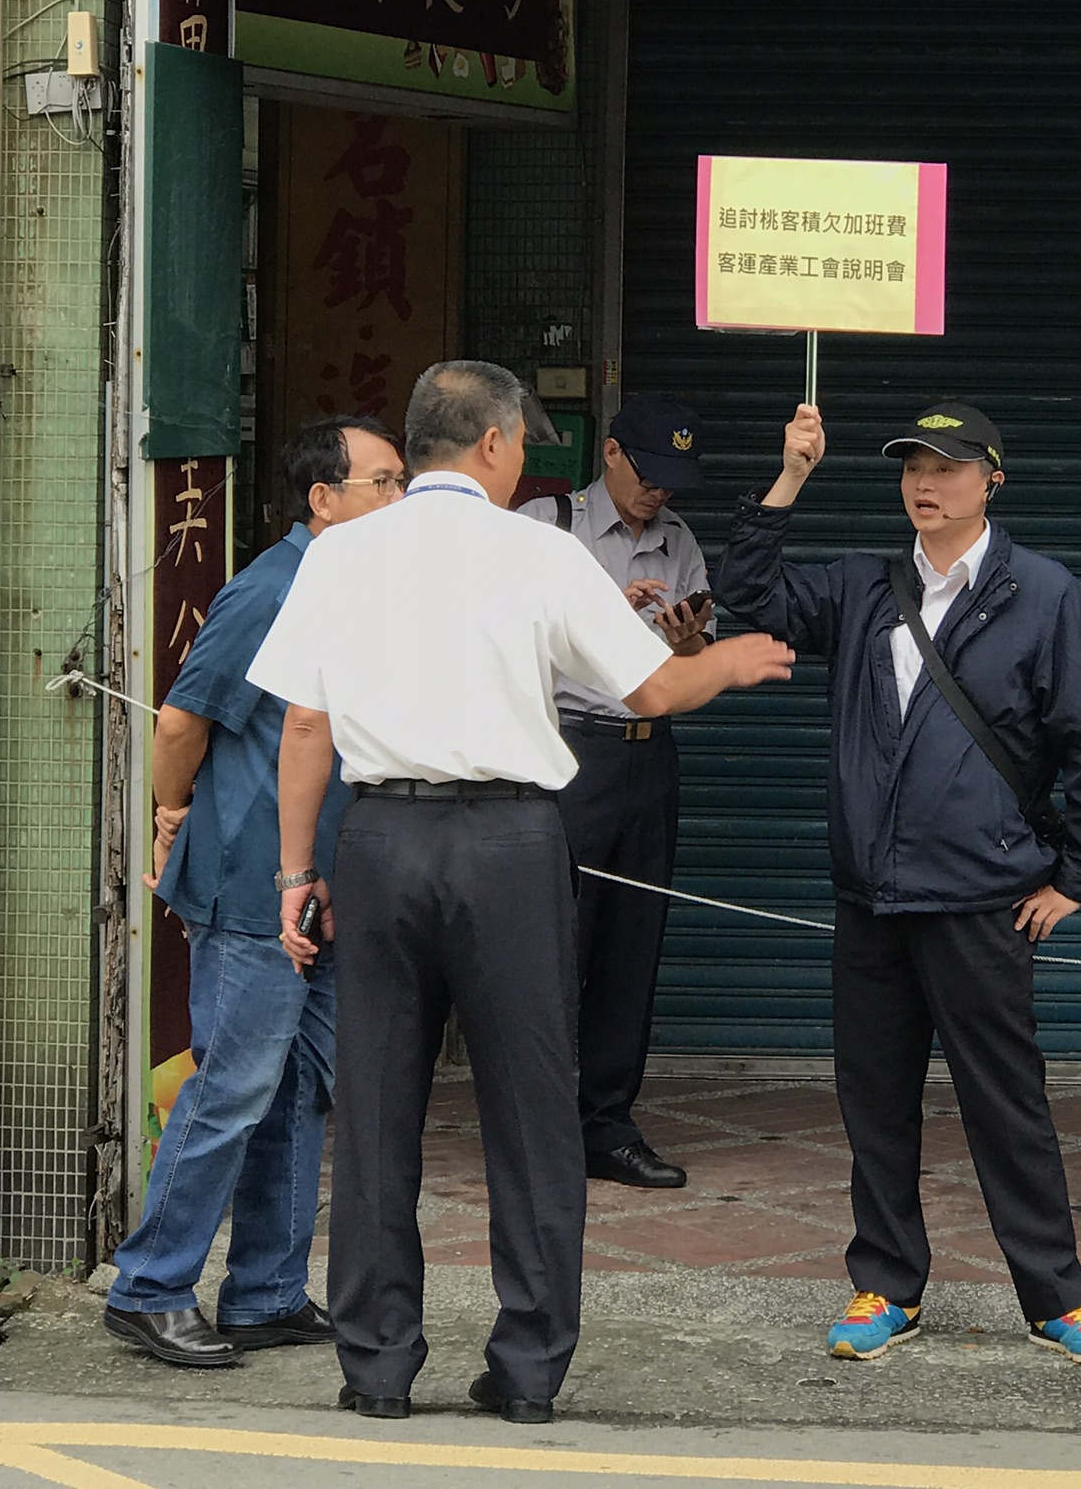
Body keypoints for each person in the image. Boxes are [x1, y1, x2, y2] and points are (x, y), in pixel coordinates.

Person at [248, 361, 794, 1426]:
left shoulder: (340, 552)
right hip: (508, 844)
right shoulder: (541, 550)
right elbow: (649, 685)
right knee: (533, 1111)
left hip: (385, 838)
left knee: (375, 1110)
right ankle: (528, 1369)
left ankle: (376, 1366)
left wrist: (296, 873)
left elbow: (304, 728)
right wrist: (727, 661)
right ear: (495, 443)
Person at [717, 401, 1081, 1366]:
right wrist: (788, 478)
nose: (924, 483)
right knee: (875, 1100)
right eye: (912, 466)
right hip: (873, 898)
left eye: (947, 467)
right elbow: (753, 591)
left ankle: (1056, 1295)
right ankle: (885, 1284)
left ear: (992, 479)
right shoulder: (866, 585)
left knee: (1005, 1102)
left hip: (982, 898)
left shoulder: (1044, 593)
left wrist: (1080, 877)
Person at [103, 416, 406, 1368]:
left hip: (323, 885)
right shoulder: (268, 589)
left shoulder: (357, 590)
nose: (400, 501)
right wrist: (168, 811)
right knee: (232, 1086)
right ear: (323, 499)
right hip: (248, 888)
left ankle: (267, 1291)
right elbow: (183, 718)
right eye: (383, 482)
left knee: (304, 1088)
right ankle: (148, 1288)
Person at [517, 395, 715, 1190]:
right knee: (551, 946)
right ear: (611, 454)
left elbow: (699, 666)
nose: (658, 494)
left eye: (673, 482)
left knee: (633, 946)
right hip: (567, 753)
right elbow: (498, 627)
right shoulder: (545, 524)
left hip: (647, 758)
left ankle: (607, 1124)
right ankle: (534, 1125)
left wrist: (691, 641)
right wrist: (598, 610)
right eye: (648, 474)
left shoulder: (679, 542)